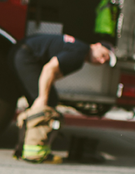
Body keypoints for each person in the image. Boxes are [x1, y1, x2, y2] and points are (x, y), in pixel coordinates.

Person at [9, 33, 116, 162]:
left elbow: (52, 75)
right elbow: (49, 69)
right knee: (47, 102)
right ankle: (34, 152)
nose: (102, 61)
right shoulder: (80, 51)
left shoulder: (78, 51)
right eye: (104, 55)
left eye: (105, 62)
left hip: (20, 52)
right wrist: (42, 97)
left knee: (46, 100)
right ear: (97, 45)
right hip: (24, 55)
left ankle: (22, 149)